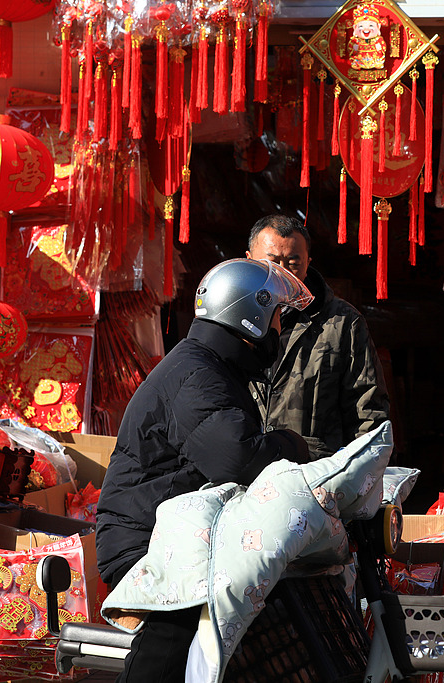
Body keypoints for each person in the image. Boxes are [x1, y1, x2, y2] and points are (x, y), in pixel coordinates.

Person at [95, 258, 314, 683]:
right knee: (177, 619)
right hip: (143, 542)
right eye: (275, 318)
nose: (279, 331)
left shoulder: (214, 367)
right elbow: (241, 459)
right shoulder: (196, 376)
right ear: (248, 316)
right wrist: (294, 445)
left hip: (180, 534)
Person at [245, 214, 389, 460]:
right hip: (244, 464)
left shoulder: (342, 322)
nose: (280, 273)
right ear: (247, 260)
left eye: (292, 263)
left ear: (308, 263)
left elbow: (367, 411)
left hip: (314, 472)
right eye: (270, 262)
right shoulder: (230, 313)